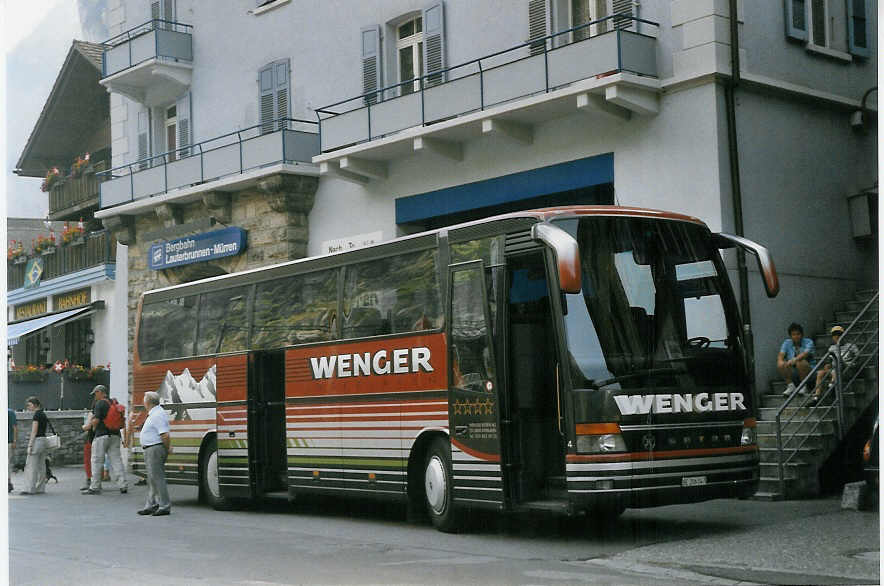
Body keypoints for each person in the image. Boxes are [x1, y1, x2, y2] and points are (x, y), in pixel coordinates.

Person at [83, 385, 128, 495]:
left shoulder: (100, 403)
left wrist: (88, 427)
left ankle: (95, 486)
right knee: (116, 460)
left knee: (97, 461)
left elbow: (96, 420)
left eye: (95, 393)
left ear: (100, 392)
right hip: (115, 435)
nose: (95, 396)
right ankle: (123, 485)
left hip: (101, 436)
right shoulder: (114, 402)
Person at [138, 391, 172, 516]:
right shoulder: (155, 413)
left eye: (144, 399)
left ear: (148, 402)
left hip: (154, 448)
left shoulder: (157, 414)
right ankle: (152, 504)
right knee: (152, 479)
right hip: (151, 448)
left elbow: (165, 435)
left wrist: (167, 448)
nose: (143, 402)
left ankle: (164, 505)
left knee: (157, 478)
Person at [810, 325, 860, 404]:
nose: (837, 336)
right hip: (835, 371)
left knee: (838, 363)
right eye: (834, 334)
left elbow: (858, 359)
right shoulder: (832, 348)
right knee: (820, 373)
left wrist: (851, 364)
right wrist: (827, 366)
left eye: (839, 334)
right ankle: (816, 397)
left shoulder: (851, 346)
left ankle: (832, 386)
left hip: (847, 369)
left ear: (844, 335)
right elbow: (829, 362)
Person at [778, 322, 815, 396]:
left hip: (809, 371)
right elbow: (781, 355)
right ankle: (791, 386)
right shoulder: (787, 343)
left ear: (802, 334)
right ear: (790, 336)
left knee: (800, 362)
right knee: (781, 364)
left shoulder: (809, 342)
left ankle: (803, 386)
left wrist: (794, 360)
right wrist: (780, 362)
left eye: (798, 334)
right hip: (794, 371)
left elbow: (805, 354)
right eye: (793, 334)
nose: (796, 336)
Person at [21, 397, 48, 495]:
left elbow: (34, 431)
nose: (28, 407)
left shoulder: (36, 415)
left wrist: (30, 445)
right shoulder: (43, 414)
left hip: (37, 441)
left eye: (29, 405)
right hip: (43, 440)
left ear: (34, 404)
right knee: (41, 465)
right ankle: (40, 488)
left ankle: (30, 488)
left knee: (31, 465)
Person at [80, 408, 94, 492]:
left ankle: (90, 481)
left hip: (90, 439)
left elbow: (87, 427)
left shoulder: (92, 413)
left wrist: (83, 427)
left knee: (88, 461)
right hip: (100, 437)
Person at [8, 408, 16, 493]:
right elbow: (15, 428)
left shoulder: (10, 412)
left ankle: (8, 483)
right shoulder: (10, 412)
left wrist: (14, 440)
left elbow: (14, 428)